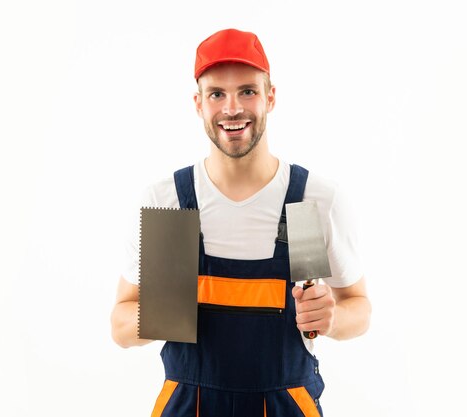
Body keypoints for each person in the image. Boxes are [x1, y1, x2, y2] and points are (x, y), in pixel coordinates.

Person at [111, 28, 371, 417]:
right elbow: (119, 325)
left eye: (247, 91)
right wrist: (165, 310)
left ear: (270, 97)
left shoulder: (307, 202)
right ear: (198, 103)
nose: (232, 108)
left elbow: (359, 307)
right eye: (217, 93)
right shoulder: (172, 203)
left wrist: (331, 318)